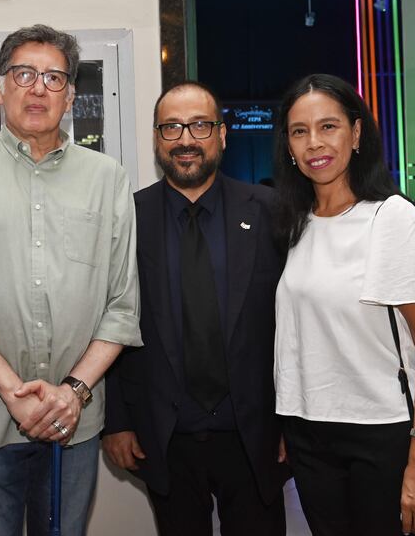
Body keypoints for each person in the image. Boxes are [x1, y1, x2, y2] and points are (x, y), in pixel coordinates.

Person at [0, 23, 141, 536]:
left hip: (75, 421)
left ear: (70, 98)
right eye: (24, 73)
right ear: (0, 87)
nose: (38, 87)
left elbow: (122, 307)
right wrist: (13, 391)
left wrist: (73, 392)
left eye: (54, 78)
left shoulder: (107, 178)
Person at [103, 81, 288, 535]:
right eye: (171, 127)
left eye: (200, 125)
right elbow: (108, 319)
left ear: (222, 135)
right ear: (156, 139)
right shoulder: (127, 218)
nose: (185, 139)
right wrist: (116, 422)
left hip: (254, 433)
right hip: (164, 436)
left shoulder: (269, 212)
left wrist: (293, 421)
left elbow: (292, 326)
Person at [272, 73, 415, 535]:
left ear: (355, 134)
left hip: (383, 433)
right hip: (308, 432)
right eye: (299, 131)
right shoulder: (295, 224)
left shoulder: (392, 219)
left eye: (328, 126)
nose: (315, 143)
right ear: (289, 148)